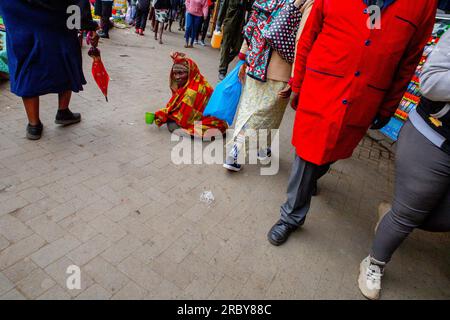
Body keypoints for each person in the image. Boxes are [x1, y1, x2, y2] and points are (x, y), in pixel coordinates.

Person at [267, 0, 438, 247]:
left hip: (363, 99)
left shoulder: (423, 5)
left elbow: (408, 61)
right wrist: (298, 81)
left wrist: (389, 105)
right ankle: (291, 216)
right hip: (321, 89)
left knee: (332, 152)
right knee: (308, 153)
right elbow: (308, 36)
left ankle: (311, 178)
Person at [358, 29, 450, 300]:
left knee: (441, 219)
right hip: (432, 137)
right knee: (409, 214)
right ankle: (374, 262)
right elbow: (430, 82)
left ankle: (393, 215)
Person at [223, 0, 310, 172]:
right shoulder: (307, 2)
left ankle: (262, 148)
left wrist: (244, 56)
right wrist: (295, 78)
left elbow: (252, 25)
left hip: (255, 64)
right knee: (268, 115)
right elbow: (301, 40)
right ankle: (236, 151)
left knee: (250, 109)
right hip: (282, 70)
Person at [0, 0, 99, 140]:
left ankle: (34, 125)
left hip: (18, 13)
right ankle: (63, 112)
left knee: (26, 59)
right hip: (58, 17)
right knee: (65, 56)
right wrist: (88, 25)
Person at [154, 52, 228, 138]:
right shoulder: (196, 80)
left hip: (210, 121)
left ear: (190, 73)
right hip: (203, 116)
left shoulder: (193, 91)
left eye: (181, 73)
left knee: (174, 125)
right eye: (175, 74)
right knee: (170, 119)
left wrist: (167, 116)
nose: (177, 77)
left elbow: (184, 120)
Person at [216, 0, 251, 80]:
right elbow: (223, 8)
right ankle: (222, 71)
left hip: (240, 26)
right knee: (226, 46)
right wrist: (219, 23)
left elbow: (250, 9)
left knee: (237, 48)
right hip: (229, 23)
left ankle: (224, 61)